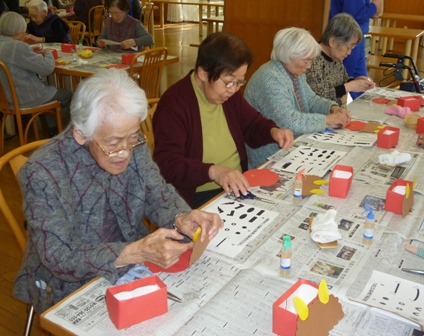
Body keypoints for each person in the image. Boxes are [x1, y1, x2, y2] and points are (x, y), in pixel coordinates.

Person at [12, 68, 223, 313]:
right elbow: (59, 256)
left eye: (132, 137)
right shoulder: (43, 171)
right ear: (81, 134)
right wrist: (135, 251)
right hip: (70, 282)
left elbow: (155, 191)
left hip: (132, 262)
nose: (125, 152)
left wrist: (181, 217)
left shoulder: (131, 141)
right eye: (113, 144)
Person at [153, 32, 294, 209]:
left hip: (236, 186)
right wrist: (213, 171)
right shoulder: (175, 103)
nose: (234, 89)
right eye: (229, 82)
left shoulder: (229, 95)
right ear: (203, 73)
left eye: (239, 82)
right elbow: (167, 164)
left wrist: (273, 131)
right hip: (196, 197)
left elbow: (252, 123)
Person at [244, 27, 351, 169]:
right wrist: (327, 120)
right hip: (269, 157)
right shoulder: (269, 77)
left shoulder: (293, 71)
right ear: (288, 56)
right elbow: (288, 121)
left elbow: (311, 100)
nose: (309, 66)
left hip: (293, 146)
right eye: (306, 61)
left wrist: (332, 107)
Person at [0, 11, 72, 135]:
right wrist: (48, 52)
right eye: (24, 31)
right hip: (25, 97)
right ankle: (63, 133)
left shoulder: (6, 45)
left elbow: (15, 58)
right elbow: (47, 68)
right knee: (67, 94)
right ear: (18, 33)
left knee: (49, 91)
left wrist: (29, 51)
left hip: (6, 99)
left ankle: (53, 130)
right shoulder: (17, 47)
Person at [306, 13, 376, 106]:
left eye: (352, 47)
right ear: (333, 42)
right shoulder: (312, 59)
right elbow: (318, 96)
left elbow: (342, 81)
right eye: (348, 47)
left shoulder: (335, 56)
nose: (349, 52)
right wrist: (350, 86)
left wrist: (355, 82)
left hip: (335, 111)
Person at [329, 0, 384, 98]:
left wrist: (373, 8)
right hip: (346, 37)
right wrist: (374, 7)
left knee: (362, 84)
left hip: (355, 37)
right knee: (341, 81)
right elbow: (353, 15)